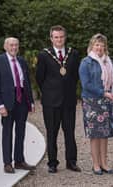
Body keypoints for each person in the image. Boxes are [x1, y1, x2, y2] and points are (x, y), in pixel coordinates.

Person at [36, 25, 81, 173]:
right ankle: (52, 163)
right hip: (51, 102)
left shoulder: (73, 54)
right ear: (51, 38)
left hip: (68, 101)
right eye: (56, 37)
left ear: (65, 37)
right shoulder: (43, 55)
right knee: (52, 133)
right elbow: (39, 78)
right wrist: (50, 93)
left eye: (61, 37)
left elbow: (75, 76)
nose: (59, 40)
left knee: (70, 132)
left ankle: (71, 162)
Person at [79, 33, 113, 175]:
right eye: (97, 45)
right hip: (92, 102)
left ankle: (104, 164)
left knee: (104, 134)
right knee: (95, 135)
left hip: (106, 101)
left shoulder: (109, 62)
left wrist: (112, 93)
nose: (99, 47)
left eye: (102, 45)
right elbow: (86, 84)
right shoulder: (86, 62)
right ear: (92, 46)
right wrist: (103, 92)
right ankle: (95, 165)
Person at [0, 37, 35, 173]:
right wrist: (0, 105)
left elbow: (27, 83)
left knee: (21, 132)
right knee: (7, 133)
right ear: (5, 46)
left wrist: (30, 101)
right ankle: (7, 163)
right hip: (7, 104)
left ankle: (19, 161)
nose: (14, 48)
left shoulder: (22, 61)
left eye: (16, 45)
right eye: (11, 45)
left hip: (22, 102)